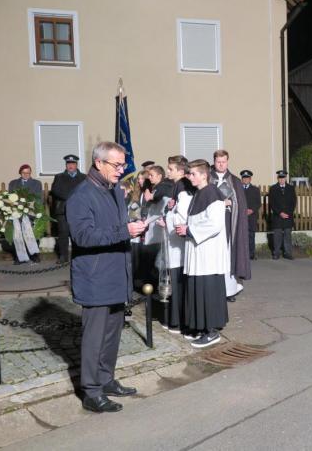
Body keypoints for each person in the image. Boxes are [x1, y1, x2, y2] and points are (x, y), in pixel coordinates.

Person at [66, 141, 147, 413]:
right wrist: (125, 231)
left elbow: (117, 227)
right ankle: (91, 391)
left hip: (116, 274)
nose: (122, 170)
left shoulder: (113, 191)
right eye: (117, 164)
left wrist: (133, 229)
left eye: (123, 164)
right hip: (95, 277)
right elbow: (83, 236)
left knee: (112, 334)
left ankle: (105, 379)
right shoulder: (81, 195)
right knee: (94, 337)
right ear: (99, 163)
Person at [176, 159, 230, 348]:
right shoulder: (199, 194)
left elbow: (215, 224)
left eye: (192, 174)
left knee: (207, 291)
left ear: (203, 175)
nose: (189, 177)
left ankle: (212, 331)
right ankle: (200, 327)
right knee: (197, 289)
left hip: (208, 254)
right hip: (198, 252)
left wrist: (189, 230)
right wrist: (185, 227)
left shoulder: (213, 193)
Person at [210, 150, 251, 301]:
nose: (221, 164)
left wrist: (230, 203)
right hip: (212, 224)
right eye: (218, 161)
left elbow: (240, 204)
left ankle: (229, 290)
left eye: (224, 161)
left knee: (228, 256)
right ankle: (213, 289)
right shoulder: (207, 179)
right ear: (214, 162)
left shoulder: (235, 181)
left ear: (228, 161)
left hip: (229, 224)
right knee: (213, 256)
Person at [154, 158, 189, 331]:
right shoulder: (177, 186)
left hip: (178, 245)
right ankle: (173, 318)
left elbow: (182, 217)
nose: (167, 172)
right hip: (173, 243)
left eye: (170, 169)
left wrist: (166, 220)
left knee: (178, 284)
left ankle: (178, 321)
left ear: (181, 172)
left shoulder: (182, 188)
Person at [50, 155, 86, 264]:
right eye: (68, 164)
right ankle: (63, 256)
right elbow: (55, 190)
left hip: (79, 211)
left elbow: (87, 191)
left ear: (76, 165)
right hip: (63, 211)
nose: (70, 166)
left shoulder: (84, 178)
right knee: (63, 234)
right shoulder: (59, 177)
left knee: (78, 234)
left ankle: (78, 256)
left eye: (72, 163)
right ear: (66, 165)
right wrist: (72, 196)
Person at [8, 164, 44, 264]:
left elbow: (39, 198)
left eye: (28, 173)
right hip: (17, 212)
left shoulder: (36, 183)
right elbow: (10, 197)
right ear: (20, 173)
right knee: (17, 234)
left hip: (31, 212)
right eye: (24, 173)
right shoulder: (13, 183)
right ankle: (19, 257)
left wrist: (31, 207)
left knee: (31, 234)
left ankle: (34, 255)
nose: (26, 175)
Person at [269, 170, 297, 259]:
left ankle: (288, 253)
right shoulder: (273, 188)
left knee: (287, 235)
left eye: (283, 178)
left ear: (285, 178)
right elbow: (272, 203)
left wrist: (288, 213)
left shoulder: (291, 188)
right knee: (277, 235)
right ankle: (276, 253)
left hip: (288, 216)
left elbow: (293, 202)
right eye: (280, 178)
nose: (281, 180)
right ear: (278, 178)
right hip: (277, 216)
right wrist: (280, 213)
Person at [240, 170, 262, 260]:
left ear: (250, 179)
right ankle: (242, 255)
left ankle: (251, 254)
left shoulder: (255, 190)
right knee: (241, 236)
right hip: (241, 216)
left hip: (251, 217)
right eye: (244, 178)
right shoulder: (238, 189)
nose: (245, 180)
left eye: (247, 178)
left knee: (251, 236)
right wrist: (243, 210)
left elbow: (258, 203)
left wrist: (252, 210)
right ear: (242, 179)